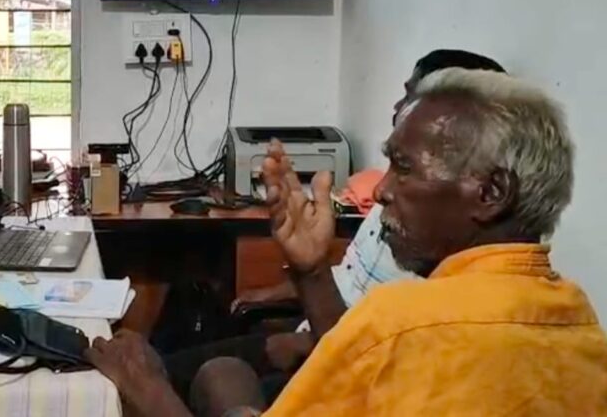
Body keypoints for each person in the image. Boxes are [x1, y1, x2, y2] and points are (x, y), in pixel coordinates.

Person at [87, 68, 607, 415]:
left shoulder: (401, 323)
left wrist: (152, 397)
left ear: (491, 193)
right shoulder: (580, 326)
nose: (380, 190)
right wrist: (312, 271)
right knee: (222, 373)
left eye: (404, 168)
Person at [167, 50, 507, 398]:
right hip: (324, 332)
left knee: (195, 379)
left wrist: (309, 338)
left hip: (333, 352)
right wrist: (302, 275)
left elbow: (372, 368)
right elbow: (350, 283)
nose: (380, 190)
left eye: (405, 167)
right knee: (177, 358)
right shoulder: (404, 203)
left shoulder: (441, 250)